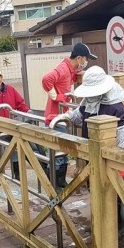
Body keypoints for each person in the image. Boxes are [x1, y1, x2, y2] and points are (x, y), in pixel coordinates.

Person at [41, 42, 97, 189]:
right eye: (85, 59)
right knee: (61, 150)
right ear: (79, 58)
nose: (85, 62)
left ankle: (58, 181)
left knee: (63, 151)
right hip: (55, 116)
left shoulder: (69, 69)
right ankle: (54, 183)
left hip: (61, 115)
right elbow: (46, 79)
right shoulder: (63, 69)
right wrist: (57, 97)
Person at [67, 65, 124, 141]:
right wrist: (64, 117)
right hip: (87, 147)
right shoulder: (87, 101)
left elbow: (123, 138)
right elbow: (76, 117)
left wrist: (118, 152)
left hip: (108, 149)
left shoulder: (116, 108)